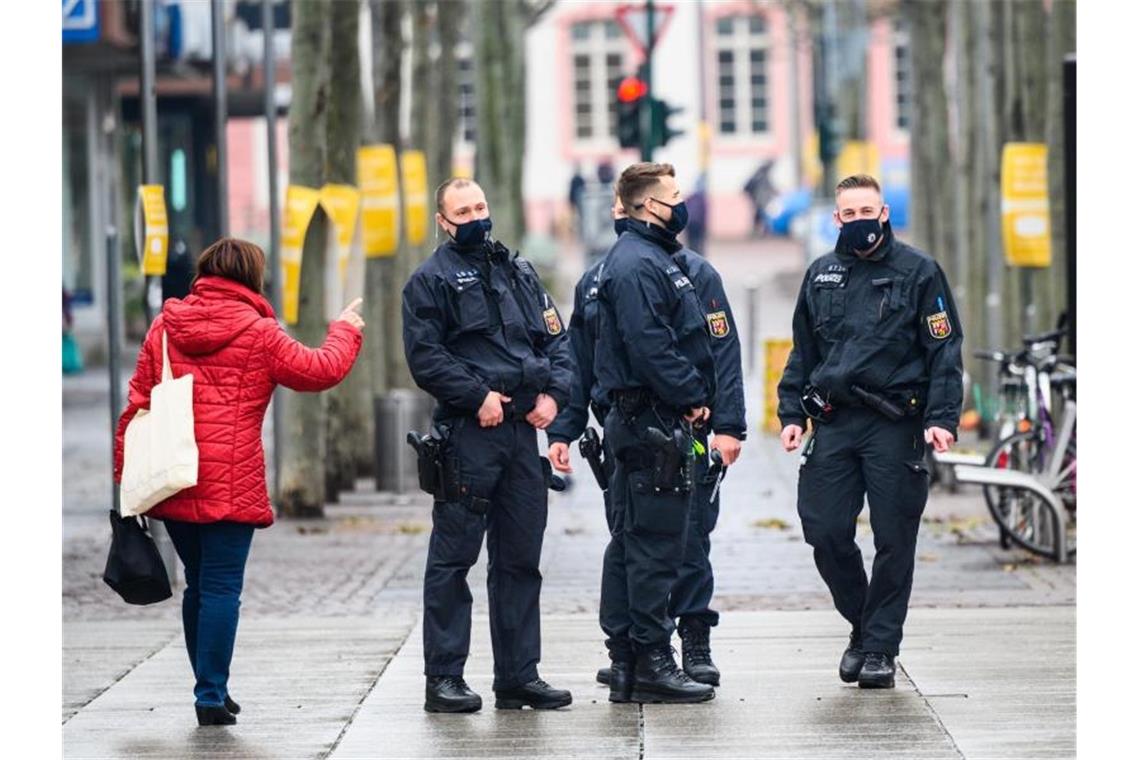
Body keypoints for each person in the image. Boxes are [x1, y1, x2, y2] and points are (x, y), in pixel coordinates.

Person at [112, 237, 364, 726]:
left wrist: (126, 477)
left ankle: (208, 688)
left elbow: (138, 402)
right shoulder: (260, 332)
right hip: (231, 480)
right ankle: (211, 693)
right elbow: (320, 370)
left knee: (198, 586)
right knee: (223, 588)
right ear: (253, 277)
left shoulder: (166, 325)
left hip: (172, 477)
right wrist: (345, 330)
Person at [550, 187, 746, 695]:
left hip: (687, 428)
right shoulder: (597, 280)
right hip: (633, 428)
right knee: (636, 540)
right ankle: (637, 653)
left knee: (689, 536)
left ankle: (693, 643)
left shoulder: (695, 273)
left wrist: (729, 424)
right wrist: (564, 430)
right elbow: (580, 359)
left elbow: (723, 353)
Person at [777, 174, 963, 689]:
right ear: (837, 219)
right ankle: (863, 626)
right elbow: (802, 353)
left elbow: (944, 350)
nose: (859, 221)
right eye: (849, 214)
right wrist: (792, 414)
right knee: (825, 529)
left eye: (868, 211)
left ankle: (880, 647)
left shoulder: (919, 272)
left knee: (894, 538)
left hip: (894, 423)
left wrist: (941, 420)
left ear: (883, 214)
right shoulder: (821, 275)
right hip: (834, 422)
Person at [402, 177, 575, 714]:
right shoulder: (428, 281)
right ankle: (444, 678)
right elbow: (426, 357)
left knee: (521, 559)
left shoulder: (520, 271)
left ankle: (519, 676)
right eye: (463, 210)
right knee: (453, 561)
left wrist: (555, 395)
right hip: (469, 436)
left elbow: (557, 339)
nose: (476, 216)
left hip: (523, 435)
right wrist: (476, 396)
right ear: (443, 221)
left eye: (481, 205)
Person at [591, 162, 718, 704]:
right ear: (647, 206)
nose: (681, 202)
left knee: (633, 543)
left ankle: (626, 662)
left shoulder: (646, 259)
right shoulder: (639, 264)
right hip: (651, 423)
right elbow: (652, 346)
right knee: (653, 547)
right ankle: (651, 659)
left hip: (646, 420)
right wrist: (692, 396)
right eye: (673, 196)